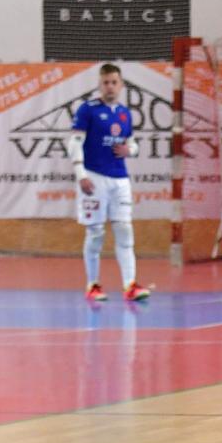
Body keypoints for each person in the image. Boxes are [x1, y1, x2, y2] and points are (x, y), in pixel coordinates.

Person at [68, 63, 150, 302]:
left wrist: (129, 150)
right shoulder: (88, 110)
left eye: (114, 82)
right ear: (99, 84)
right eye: (106, 82)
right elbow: (74, 143)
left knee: (124, 230)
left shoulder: (124, 113)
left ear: (121, 85)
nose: (110, 87)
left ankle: (130, 285)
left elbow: (132, 143)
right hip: (94, 176)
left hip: (120, 178)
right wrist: (81, 174)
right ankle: (93, 285)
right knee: (95, 233)